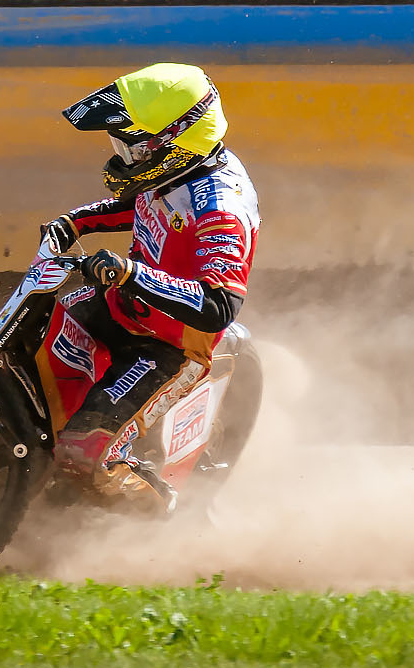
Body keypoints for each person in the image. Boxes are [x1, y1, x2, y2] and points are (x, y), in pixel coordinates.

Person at [39, 63, 259, 502]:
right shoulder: (177, 170)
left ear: (178, 141)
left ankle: (158, 515)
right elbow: (142, 201)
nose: (123, 157)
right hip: (120, 304)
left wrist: (130, 273)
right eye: (118, 143)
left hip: (170, 346)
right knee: (27, 348)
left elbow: (219, 307)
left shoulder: (221, 208)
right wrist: (78, 221)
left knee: (83, 454)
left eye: (132, 147)